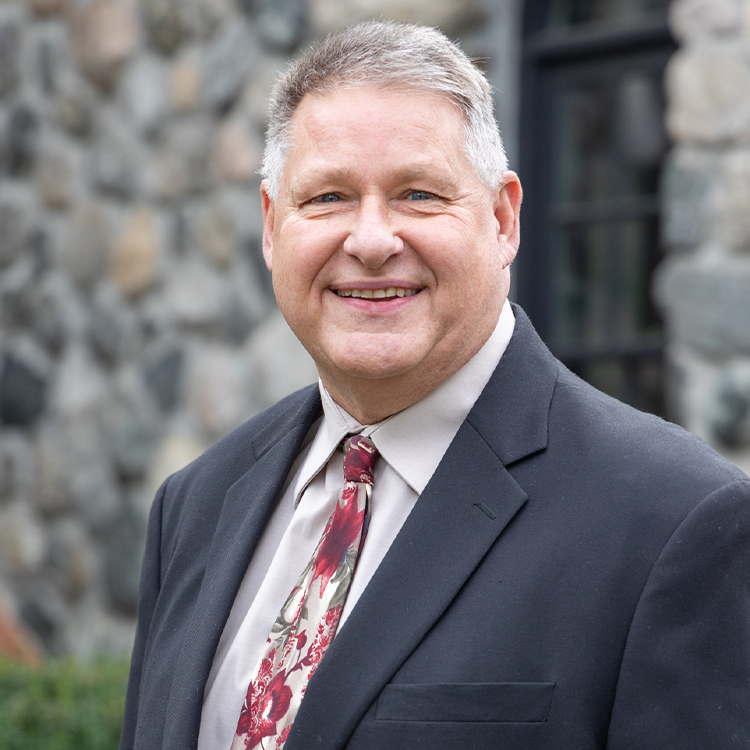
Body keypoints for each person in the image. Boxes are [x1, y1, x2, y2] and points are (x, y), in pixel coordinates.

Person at [119, 20, 750, 750]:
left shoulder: (674, 521)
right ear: (271, 227)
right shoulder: (196, 505)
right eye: (326, 197)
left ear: (503, 218)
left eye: (419, 194)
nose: (372, 240)